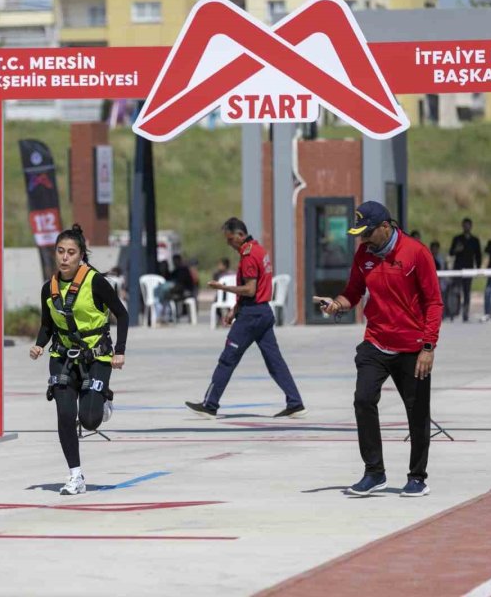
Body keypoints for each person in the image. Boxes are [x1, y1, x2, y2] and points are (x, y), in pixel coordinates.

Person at [319, 202, 442, 497]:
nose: (363, 239)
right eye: (360, 234)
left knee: (417, 413)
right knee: (363, 400)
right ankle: (374, 473)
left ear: (386, 227)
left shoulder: (416, 253)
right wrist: (337, 305)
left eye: (368, 233)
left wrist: (428, 346)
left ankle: (417, 477)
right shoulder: (364, 255)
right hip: (375, 341)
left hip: (412, 347)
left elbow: (434, 302)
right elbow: (353, 292)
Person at [29, 225, 129, 496]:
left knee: (89, 419)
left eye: (71, 252)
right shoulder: (48, 288)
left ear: (81, 255)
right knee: (64, 414)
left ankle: (104, 398)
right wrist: (39, 345)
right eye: (60, 251)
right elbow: (47, 325)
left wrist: (119, 350)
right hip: (62, 357)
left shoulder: (95, 282)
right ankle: (75, 475)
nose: (64, 258)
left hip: (97, 356)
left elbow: (122, 314)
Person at [185, 218, 307, 419]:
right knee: (275, 361)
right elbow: (256, 289)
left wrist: (223, 288)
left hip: (251, 316)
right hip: (263, 312)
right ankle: (295, 402)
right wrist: (235, 308)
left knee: (227, 359)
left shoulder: (249, 256)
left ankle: (210, 405)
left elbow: (250, 290)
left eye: (230, 239)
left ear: (240, 235)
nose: (229, 243)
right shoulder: (259, 250)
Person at [449, 218, 481, 322]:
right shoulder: (457, 239)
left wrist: (478, 268)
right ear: (462, 226)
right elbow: (451, 253)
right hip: (458, 269)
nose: (466, 227)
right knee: (456, 291)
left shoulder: (475, 240)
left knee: (467, 292)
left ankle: (465, 313)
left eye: (468, 225)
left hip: (469, 269)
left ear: (471, 226)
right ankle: (454, 313)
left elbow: (478, 255)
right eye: (465, 225)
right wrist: (456, 250)